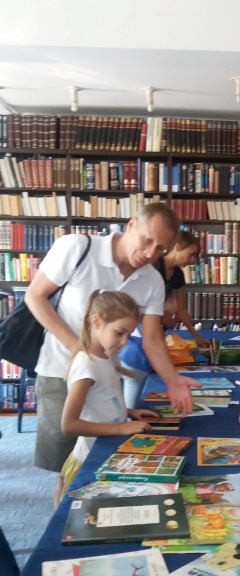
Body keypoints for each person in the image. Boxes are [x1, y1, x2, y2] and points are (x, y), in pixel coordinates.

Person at [24, 202, 200, 478]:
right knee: (64, 461)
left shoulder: (152, 280)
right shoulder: (76, 247)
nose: (150, 253)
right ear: (131, 225)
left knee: (100, 458)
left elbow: (153, 339)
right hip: (59, 369)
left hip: (105, 374)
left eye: (161, 249)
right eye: (147, 240)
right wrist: (78, 349)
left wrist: (172, 380)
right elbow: (35, 296)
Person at [59, 289, 159, 499]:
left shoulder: (105, 356)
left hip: (107, 451)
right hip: (90, 458)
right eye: (119, 332)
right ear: (96, 321)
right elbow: (69, 424)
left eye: (129, 335)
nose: (124, 342)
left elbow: (103, 398)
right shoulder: (86, 366)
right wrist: (121, 428)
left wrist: (128, 411)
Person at [120, 229, 210, 408]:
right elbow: (134, 304)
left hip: (154, 331)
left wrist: (196, 336)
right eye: (191, 254)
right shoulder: (152, 268)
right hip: (136, 336)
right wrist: (162, 316)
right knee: (135, 381)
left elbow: (182, 309)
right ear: (177, 247)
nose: (192, 260)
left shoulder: (178, 275)